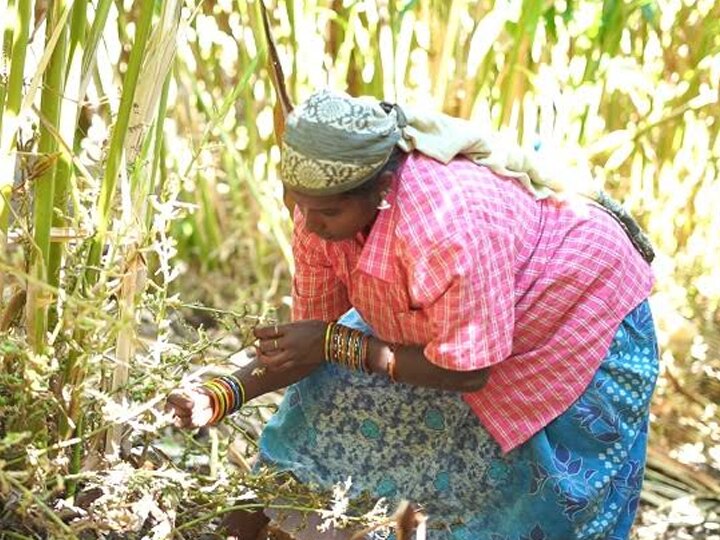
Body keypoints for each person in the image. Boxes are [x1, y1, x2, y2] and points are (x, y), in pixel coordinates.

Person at [167, 89, 659, 540]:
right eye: (301, 206)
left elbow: (467, 371)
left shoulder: (443, 223)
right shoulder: (318, 216)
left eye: (327, 214)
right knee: (313, 414)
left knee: (528, 500)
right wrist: (222, 394)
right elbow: (308, 346)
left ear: (381, 189)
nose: (311, 225)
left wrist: (333, 344)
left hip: (575, 315)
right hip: (457, 331)